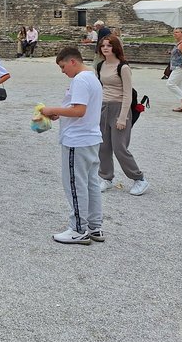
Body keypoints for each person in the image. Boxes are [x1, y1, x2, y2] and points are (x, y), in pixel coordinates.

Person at [40, 47, 104, 245]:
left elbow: (79, 111)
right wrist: (62, 112)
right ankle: (94, 226)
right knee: (91, 183)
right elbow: (79, 108)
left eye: (62, 66)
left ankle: (78, 229)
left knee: (75, 185)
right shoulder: (92, 77)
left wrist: (51, 109)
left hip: (77, 140)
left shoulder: (80, 80)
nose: (62, 71)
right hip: (91, 138)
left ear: (72, 62)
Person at [95, 35, 149, 196]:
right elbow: (100, 88)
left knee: (120, 148)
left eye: (109, 45)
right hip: (104, 107)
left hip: (119, 108)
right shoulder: (100, 66)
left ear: (116, 48)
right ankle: (106, 178)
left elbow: (128, 94)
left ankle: (139, 179)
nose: (105, 48)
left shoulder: (123, 68)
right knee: (103, 146)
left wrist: (122, 117)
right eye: (103, 45)